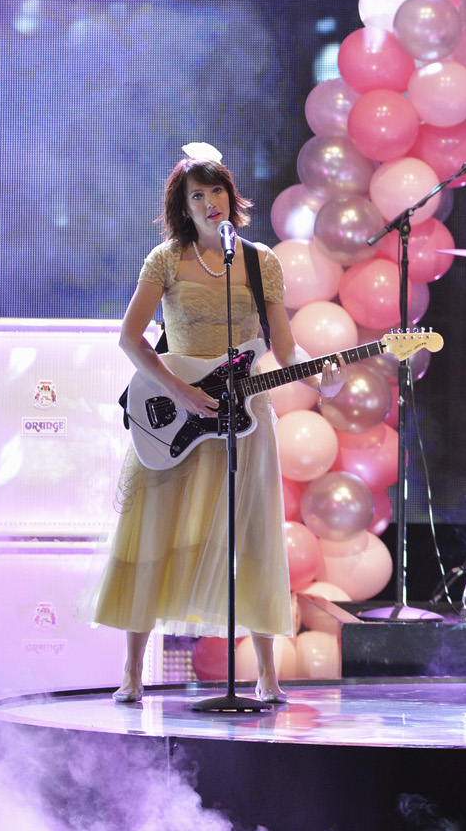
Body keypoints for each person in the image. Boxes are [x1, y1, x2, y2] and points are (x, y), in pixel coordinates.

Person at [87, 144, 343, 704]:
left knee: (252, 536)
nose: (209, 202)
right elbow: (130, 339)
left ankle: (267, 674)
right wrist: (180, 389)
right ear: (183, 206)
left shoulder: (259, 261)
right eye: (197, 195)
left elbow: (285, 349)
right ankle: (132, 671)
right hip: (174, 415)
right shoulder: (165, 259)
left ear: (231, 196)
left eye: (217, 191)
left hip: (243, 421)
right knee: (153, 531)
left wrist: (322, 377)